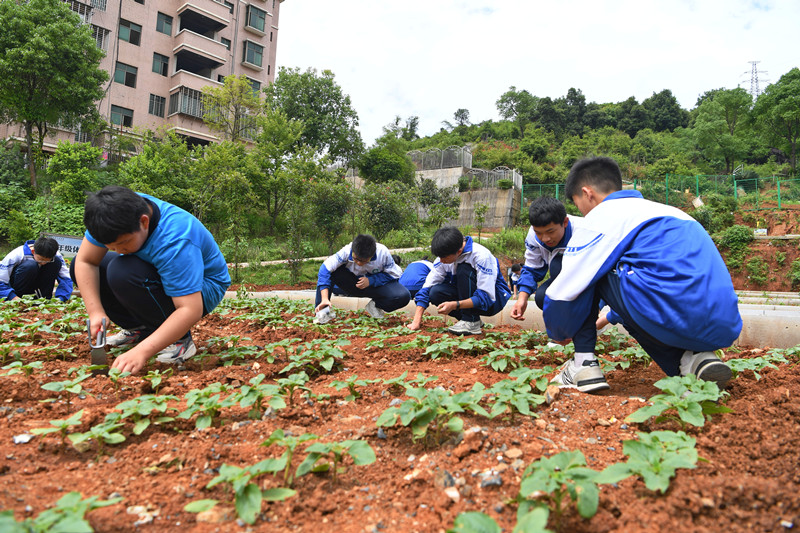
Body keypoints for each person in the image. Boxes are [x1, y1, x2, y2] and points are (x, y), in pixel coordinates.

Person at [543, 156, 741, 393]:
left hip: (671, 312)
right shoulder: (668, 211)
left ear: (587, 193)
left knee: (579, 268)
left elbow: (566, 288)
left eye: (578, 204)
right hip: (723, 323)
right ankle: (694, 361)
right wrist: (609, 317)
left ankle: (582, 364)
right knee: (630, 283)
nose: (582, 212)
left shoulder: (600, 217)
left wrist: (559, 331)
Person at [72, 186, 231, 374]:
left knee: (122, 270)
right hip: (154, 270)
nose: (118, 251)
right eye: (110, 246)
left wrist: (142, 352)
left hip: (203, 286)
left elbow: (190, 308)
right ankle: (138, 329)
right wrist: (95, 311)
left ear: (144, 222)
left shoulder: (175, 238)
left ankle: (179, 340)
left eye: (123, 243)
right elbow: (86, 261)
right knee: (93, 266)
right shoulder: (108, 215)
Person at [407, 226, 511, 335]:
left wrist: (455, 305)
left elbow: (486, 297)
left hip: (493, 300)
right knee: (435, 292)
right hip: (468, 298)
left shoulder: (481, 256)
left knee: (464, 269)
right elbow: (426, 288)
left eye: (445, 258)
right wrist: (416, 321)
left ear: (459, 251)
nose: (441, 261)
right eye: (440, 257)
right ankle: (472, 320)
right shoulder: (441, 260)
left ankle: (470, 321)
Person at [510, 196, 582, 319]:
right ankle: (564, 330)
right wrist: (522, 299)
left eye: (550, 232)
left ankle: (588, 318)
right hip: (561, 281)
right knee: (542, 297)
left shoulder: (583, 231)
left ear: (565, 222)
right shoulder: (533, 235)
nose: (545, 239)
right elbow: (532, 269)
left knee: (557, 265)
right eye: (539, 232)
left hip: (587, 280)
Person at [314, 234, 410, 323]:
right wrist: (325, 298)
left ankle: (375, 306)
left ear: (372, 255)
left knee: (403, 296)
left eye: (364, 261)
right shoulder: (346, 251)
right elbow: (325, 269)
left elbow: (394, 274)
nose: (359, 263)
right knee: (331, 271)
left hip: (373, 286)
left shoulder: (382, 253)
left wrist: (371, 280)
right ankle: (322, 314)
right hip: (351, 283)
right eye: (355, 259)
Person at [0, 236, 73, 302]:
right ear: (33, 251)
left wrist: (61, 298)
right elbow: (1, 281)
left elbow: (66, 278)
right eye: (41, 259)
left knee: (56, 262)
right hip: (19, 287)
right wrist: (12, 297)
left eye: (47, 261)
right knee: (31, 265)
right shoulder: (16, 255)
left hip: (39, 287)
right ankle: (21, 299)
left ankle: (44, 299)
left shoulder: (55, 255)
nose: (44, 263)